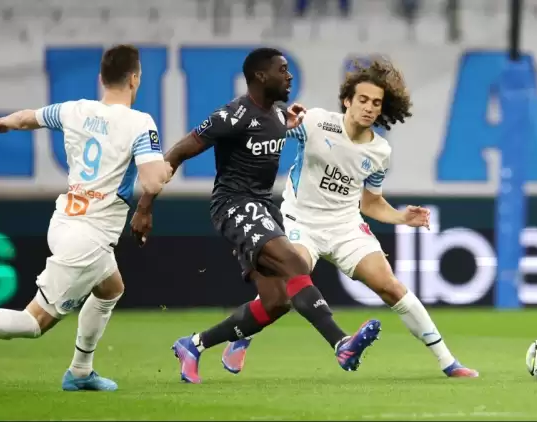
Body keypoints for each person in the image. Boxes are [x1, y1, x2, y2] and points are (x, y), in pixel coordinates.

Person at [0, 45, 172, 391]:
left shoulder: (75, 109)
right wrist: (164, 169)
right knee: (34, 322)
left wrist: (4, 122)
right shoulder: (140, 123)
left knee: (110, 288)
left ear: (100, 79)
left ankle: (80, 371)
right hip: (90, 237)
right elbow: (151, 182)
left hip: (64, 220)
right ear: (135, 79)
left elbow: (29, 117)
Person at [131, 48, 381, 384]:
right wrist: (144, 206)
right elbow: (176, 154)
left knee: (277, 301)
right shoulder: (232, 116)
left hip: (263, 207)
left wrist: (289, 121)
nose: (289, 76)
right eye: (282, 70)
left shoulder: (278, 114)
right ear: (261, 76)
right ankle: (341, 343)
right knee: (295, 265)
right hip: (234, 204)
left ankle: (193, 345)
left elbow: (276, 127)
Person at [222, 58, 479, 378]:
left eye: (376, 103)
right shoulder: (315, 122)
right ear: (347, 100)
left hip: (345, 227)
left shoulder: (380, 152)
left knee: (390, 287)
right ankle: (241, 336)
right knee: (287, 285)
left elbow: (370, 202)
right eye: (363, 100)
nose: (369, 108)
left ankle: (448, 362)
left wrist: (402, 217)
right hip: (301, 221)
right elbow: (268, 131)